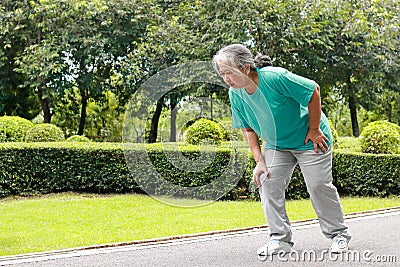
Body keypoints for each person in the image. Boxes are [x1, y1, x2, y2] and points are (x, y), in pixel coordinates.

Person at [213, 44, 351, 257]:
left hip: (310, 140)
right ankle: (279, 239)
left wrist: (314, 129)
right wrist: (260, 161)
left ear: (245, 68)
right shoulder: (236, 94)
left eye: (229, 72)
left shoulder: (274, 78)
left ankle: (338, 234)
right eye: (222, 74)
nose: (226, 78)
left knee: (318, 186)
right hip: (277, 145)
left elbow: (313, 90)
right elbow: (248, 129)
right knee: (267, 180)